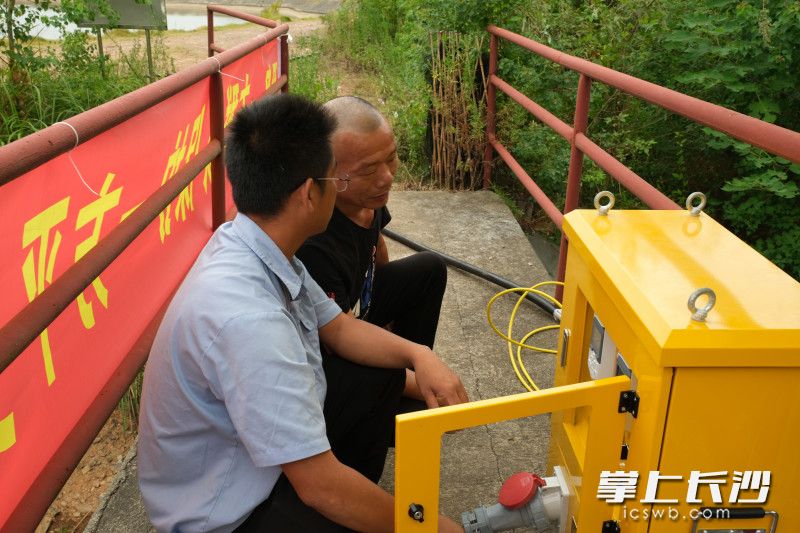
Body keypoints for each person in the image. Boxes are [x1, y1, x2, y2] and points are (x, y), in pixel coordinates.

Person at [137, 93, 467, 533]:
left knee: (379, 379)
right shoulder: (249, 320)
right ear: (310, 193)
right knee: (363, 508)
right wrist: (430, 524)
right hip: (228, 515)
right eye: (337, 178)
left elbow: (340, 327)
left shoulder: (257, 245)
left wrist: (419, 357)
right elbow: (320, 487)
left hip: (252, 464)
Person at [296, 97, 448, 478]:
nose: (387, 177)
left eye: (391, 159)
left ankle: (399, 396)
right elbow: (337, 337)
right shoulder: (316, 240)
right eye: (369, 170)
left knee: (429, 268)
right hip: (329, 346)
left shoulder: (368, 197)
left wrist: (393, 322)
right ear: (330, 175)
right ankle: (363, 454)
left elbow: (376, 244)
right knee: (380, 373)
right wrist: (419, 377)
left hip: (353, 311)